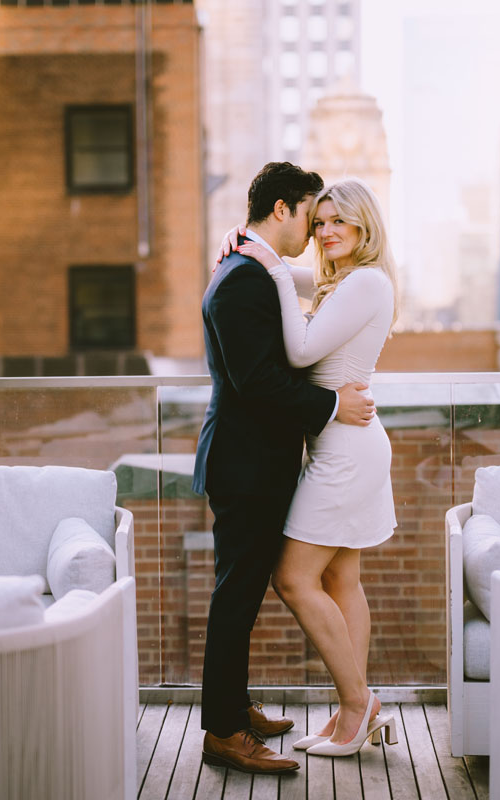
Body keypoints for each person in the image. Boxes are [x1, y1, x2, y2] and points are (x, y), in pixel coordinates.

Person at [193, 163, 377, 775]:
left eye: (330, 220)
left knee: (245, 593)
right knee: (236, 595)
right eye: (309, 215)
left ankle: (236, 708)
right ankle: (223, 729)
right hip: (245, 465)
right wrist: (330, 404)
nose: (312, 230)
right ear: (281, 210)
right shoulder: (244, 279)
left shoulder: (250, 271)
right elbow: (258, 380)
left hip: (260, 461)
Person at [226, 177, 401, 757]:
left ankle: (359, 704)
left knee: (295, 577)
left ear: (364, 228)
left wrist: (271, 267)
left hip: (347, 452)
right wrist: (254, 247)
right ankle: (351, 710)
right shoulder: (345, 280)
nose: (324, 232)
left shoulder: (367, 282)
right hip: (343, 443)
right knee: (340, 579)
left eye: (338, 223)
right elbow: (291, 275)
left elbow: (300, 350)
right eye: (319, 221)